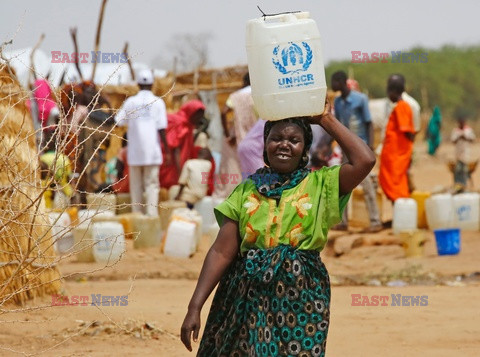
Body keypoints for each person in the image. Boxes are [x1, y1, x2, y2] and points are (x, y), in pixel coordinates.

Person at [180, 100, 376, 355]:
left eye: (294, 140)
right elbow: (221, 252)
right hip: (246, 298)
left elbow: (365, 160)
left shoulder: (321, 184)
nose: (284, 144)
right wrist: (195, 306)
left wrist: (325, 119)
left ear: (305, 147)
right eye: (276, 138)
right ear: (265, 144)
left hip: (301, 298)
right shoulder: (246, 190)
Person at [331, 71, 382, 232]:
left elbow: (369, 123)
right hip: (346, 149)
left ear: (341, 82)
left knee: (366, 185)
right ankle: (343, 221)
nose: (332, 86)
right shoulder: (338, 102)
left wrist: (371, 146)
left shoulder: (360, 99)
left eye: (333, 82)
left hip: (360, 148)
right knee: (342, 185)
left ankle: (375, 221)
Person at [115, 69, 169, 216]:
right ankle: (151, 216)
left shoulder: (130, 102)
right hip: (152, 152)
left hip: (135, 152)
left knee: (136, 186)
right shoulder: (159, 102)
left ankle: (137, 216)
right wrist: (167, 150)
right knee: (152, 185)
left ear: (138, 84)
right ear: (152, 84)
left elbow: (118, 121)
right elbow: (162, 129)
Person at [215, 72, 258, 198]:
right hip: (257, 139)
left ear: (243, 82)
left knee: (233, 170)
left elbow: (223, 112)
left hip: (238, 137)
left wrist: (228, 135)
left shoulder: (235, 96)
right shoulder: (258, 95)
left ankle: (234, 199)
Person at [379, 74, 415, 201]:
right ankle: (398, 215)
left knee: (395, 183)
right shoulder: (400, 106)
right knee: (391, 182)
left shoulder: (402, 107)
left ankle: (402, 214)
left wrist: (408, 153)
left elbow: (407, 131)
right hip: (393, 154)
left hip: (397, 155)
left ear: (393, 92)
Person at [160, 99, 206, 189]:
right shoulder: (181, 124)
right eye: (198, 116)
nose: (199, 119)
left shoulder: (187, 124)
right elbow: (176, 149)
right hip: (170, 162)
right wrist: (181, 174)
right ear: (192, 113)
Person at [451, 115, 476, 191]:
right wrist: (459, 137)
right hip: (458, 155)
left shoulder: (468, 130)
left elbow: (473, 139)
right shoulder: (455, 131)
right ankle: (457, 185)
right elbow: (453, 141)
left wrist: (465, 137)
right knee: (457, 171)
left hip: (466, 154)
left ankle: (464, 186)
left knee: (465, 171)